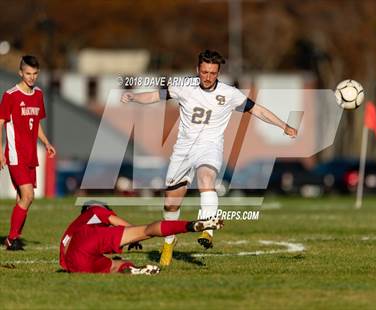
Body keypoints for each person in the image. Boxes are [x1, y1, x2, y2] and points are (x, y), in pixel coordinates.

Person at [121, 49, 297, 266]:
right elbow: (155, 96)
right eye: (204, 72)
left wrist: (283, 125)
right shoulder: (184, 86)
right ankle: (168, 243)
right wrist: (134, 97)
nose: (208, 77)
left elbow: (257, 110)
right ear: (198, 70)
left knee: (206, 180)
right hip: (183, 151)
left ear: (218, 72)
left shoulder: (229, 93)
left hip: (210, 147)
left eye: (213, 73)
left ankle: (207, 230)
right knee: (171, 205)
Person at [59, 201, 223, 274]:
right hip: (88, 238)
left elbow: (66, 260)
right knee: (146, 230)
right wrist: (134, 238)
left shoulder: (68, 233)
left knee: (116, 265)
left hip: (75, 264)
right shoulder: (95, 211)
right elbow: (119, 224)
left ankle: (131, 270)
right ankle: (191, 225)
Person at [0, 55, 56, 251]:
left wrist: (47, 143)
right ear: (20, 73)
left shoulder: (38, 94)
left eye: (34, 74)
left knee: (22, 198)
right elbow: (0, 123)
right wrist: (0, 151)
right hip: (16, 154)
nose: (31, 77)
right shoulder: (10, 95)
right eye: (28, 73)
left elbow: (37, 123)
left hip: (31, 154)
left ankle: (14, 239)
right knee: (28, 195)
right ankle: (12, 238)